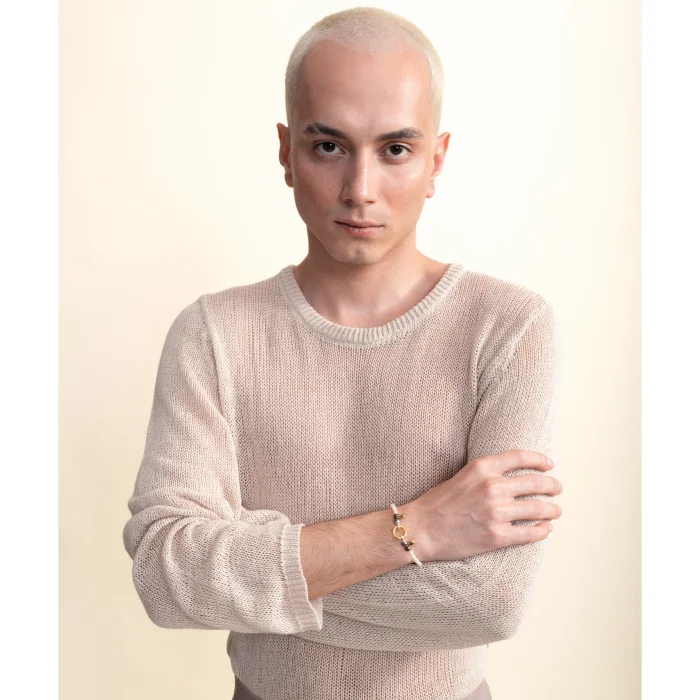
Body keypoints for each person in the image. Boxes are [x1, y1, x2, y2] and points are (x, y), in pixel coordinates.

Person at [122, 7, 563, 700]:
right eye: (328, 146)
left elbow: (491, 602)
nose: (360, 189)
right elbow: (165, 574)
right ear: (285, 151)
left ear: (436, 159)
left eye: (395, 150)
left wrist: (247, 572)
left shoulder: (508, 328)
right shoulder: (214, 334)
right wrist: (415, 531)